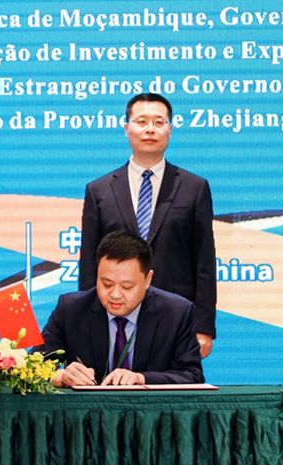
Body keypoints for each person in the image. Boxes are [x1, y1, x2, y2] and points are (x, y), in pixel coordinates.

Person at [79, 93, 217, 358]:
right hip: (115, 315)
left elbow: (204, 263)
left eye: (159, 122)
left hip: (175, 316)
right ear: (126, 128)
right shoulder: (99, 191)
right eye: (141, 121)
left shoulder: (194, 188)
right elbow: (89, 264)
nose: (150, 129)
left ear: (170, 130)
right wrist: (87, 321)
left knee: (171, 382)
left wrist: (203, 327)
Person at [36, 230, 204, 386]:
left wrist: (141, 378)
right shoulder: (71, 310)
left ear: (148, 279)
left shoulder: (176, 314)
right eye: (107, 284)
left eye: (127, 287)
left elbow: (192, 375)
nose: (115, 294)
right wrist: (59, 376)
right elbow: (32, 367)